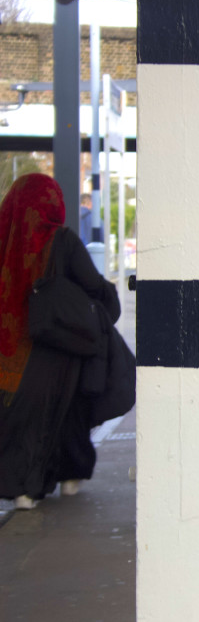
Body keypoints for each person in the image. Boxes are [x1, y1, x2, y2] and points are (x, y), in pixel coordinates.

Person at [0, 173, 120, 510]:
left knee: (18, 417)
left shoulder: (3, 236)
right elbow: (94, 286)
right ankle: (60, 478)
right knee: (64, 409)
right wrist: (105, 308)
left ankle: (24, 487)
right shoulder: (61, 240)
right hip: (53, 347)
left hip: (8, 348)